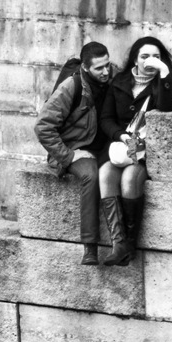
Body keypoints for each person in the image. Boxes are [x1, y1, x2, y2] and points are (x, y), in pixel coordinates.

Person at [98, 35, 172, 267]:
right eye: (145, 56)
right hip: (121, 146)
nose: (150, 60)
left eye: (156, 56)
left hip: (145, 150)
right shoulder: (120, 82)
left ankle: (130, 245)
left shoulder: (167, 82)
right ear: (135, 59)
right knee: (105, 175)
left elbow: (166, 106)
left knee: (129, 179)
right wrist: (121, 135)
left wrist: (164, 72)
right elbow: (106, 118)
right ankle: (118, 244)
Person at [34, 41, 115, 265]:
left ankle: (122, 243)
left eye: (107, 65)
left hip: (103, 146)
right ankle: (90, 247)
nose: (106, 71)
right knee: (91, 175)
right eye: (99, 68)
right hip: (74, 149)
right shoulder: (71, 86)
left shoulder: (112, 74)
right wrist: (69, 156)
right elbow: (43, 127)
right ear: (86, 68)